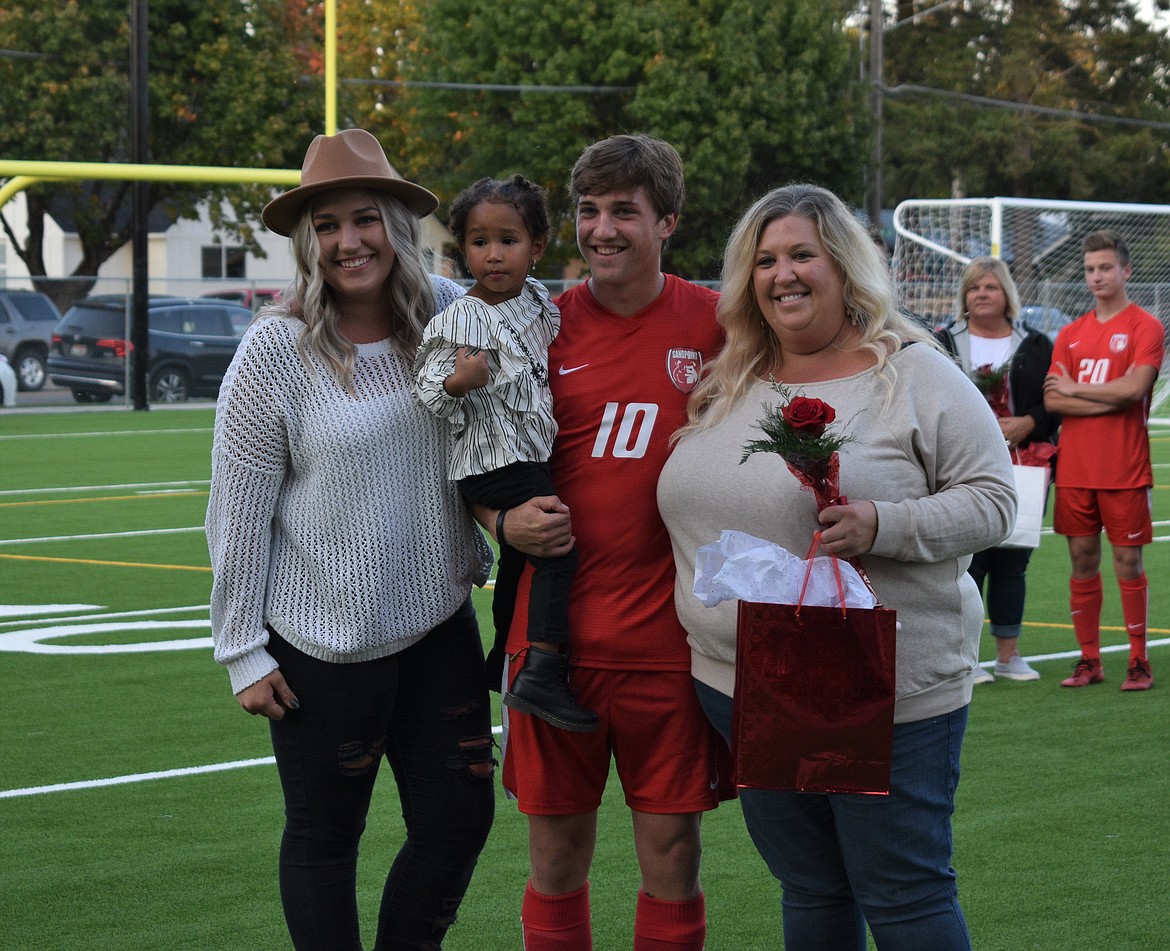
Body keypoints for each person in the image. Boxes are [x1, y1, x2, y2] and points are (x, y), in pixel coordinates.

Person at [658, 184, 1017, 949]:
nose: (782, 274)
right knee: (812, 887)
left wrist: (884, 523)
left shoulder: (916, 371)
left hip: (879, 688)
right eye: (765, 260)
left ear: (844, 265)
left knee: (903, 894)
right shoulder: (733, 376)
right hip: (742, 682)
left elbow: (994, 501)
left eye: (801, 255)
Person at [205, 128, 496, 950]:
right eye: (326, 225)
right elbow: (238, 509)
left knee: (458, 820)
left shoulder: (448, 314)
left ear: (395, 226)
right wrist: (242, 649)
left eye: (364, 218)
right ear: (308, 241)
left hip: (438, 620)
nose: (347, 240)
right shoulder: (276, 350)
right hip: (321, 644)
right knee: (327, 838)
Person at [479, 134, 727, 951]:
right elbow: (466, 448)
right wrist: (498, 521)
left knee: (674, 852)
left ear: (669, 223)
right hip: (554, 645)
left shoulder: (720, 323)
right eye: (589, 210)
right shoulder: (535, 327)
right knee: (555, 857)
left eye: (626, 210)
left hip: (673, 640)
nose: (603, 228)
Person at [414, 174, 597, 732]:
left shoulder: (538, 302)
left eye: (508, 241)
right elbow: (423, 386)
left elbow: (551, 348)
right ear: (463, 248)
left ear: (536, 246)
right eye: (479, 242)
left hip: (528, 451)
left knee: (522, 562)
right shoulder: (461, 317)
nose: (493, 255)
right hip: (490, 459)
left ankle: (503, 661)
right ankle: (542, 670)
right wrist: (457, 382)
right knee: (556, 545)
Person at [1043, 229, 1165, 691]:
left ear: (1126, 270)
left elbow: (1135, 390)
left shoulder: (1144, 327)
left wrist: (1076, 390)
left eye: (1106, 268)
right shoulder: (1071, 334)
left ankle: (1138, 660)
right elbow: (1054, 401)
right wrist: (1095, 397)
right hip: (1075, 469)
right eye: (1090, 268)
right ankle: (1089, 660)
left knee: (1128, 562)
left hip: (1125, 467)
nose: (1096, 276)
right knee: (1081, 558)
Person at [935, 257, 1060, 683]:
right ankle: (964, 660)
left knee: (1013, 560)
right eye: (973, 288)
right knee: (968, 563)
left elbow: (1051, 402)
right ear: (964, 298)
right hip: (961, 464)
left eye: (990, 287)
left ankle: (1009, 655)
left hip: (1025, 464)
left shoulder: (1037, 342)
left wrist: (1029, 422)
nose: (982, 294)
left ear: (1007, 293)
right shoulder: (942, 341)